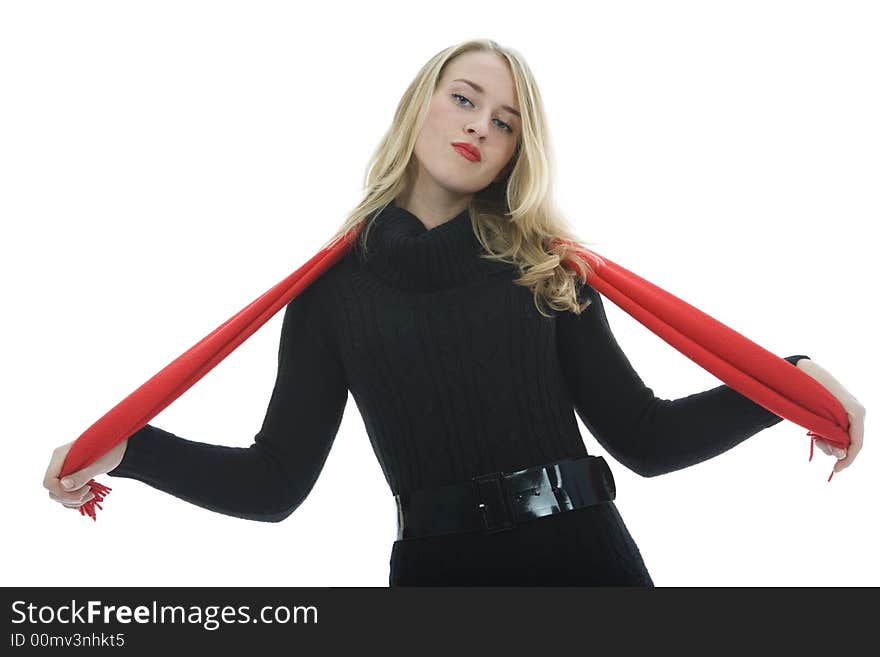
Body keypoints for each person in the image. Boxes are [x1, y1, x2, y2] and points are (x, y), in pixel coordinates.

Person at [44, 39, 864, 586]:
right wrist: (132, 450)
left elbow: (644, 437)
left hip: (589, 566)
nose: (480, 126)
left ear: (517, 151)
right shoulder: (331, 294)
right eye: (465, 99)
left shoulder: (545, 270)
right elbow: (275, 482)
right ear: (420, 104)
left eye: (504, 122)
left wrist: (782, 386)